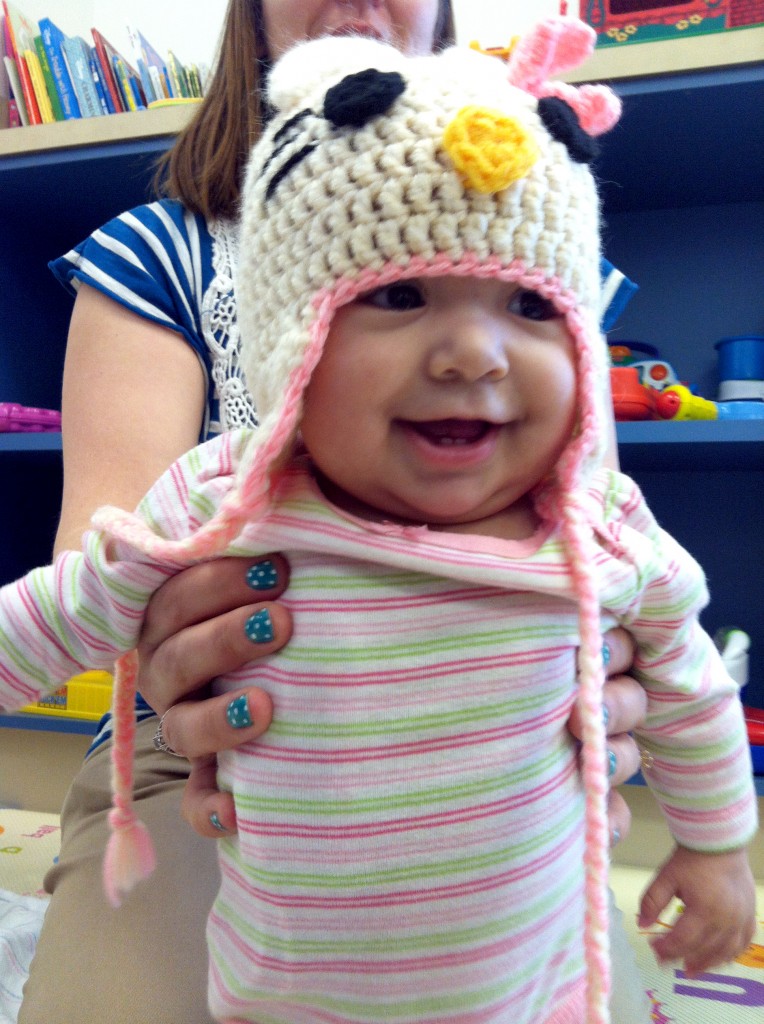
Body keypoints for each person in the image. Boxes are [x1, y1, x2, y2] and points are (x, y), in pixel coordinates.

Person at [2, 21, 757, 1024]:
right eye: (399, 296)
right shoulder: (222, 501)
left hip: (524, 990)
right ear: (288, 354)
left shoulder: (596, 523)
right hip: (281, 988)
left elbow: (691, 688)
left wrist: (712, 851)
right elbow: (66, 604)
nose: (473, 355)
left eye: (530, 311)